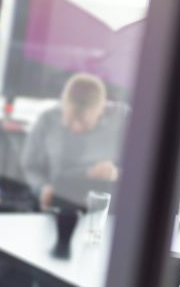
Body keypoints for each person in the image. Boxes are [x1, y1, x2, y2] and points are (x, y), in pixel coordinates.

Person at [22, 73, 127, 210]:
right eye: (70, 119)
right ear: (63, 103)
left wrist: (117, 173)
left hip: (107, 208)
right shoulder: (47, 120)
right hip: (58, 203)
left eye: (83, 121)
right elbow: (30, 166)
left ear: (101, 110)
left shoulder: (123, 120)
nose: (75, 127)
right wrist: (42, 188)